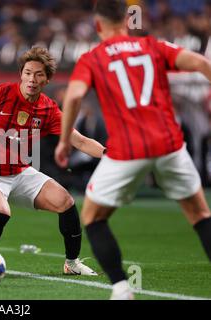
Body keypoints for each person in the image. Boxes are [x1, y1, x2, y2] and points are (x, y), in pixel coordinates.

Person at [55, 0, 211, 300]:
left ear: (98, 25)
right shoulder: (154, 46)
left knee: (93, 217)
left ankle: (121, 288)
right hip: (170, 145)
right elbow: (202, 64)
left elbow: (73, 96)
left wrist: (64, 141)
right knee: (200, 213)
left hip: (128, 150)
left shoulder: (92, 58)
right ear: (127, 23)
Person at [0, 47, 106, 275]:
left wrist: (110, 155)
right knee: (1, 212)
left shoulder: (48, 109)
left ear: (47, 79)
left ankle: (71, 264)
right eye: (28, 72)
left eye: (39, 74)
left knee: (66, 202)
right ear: (21, 73)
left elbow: (79, 141)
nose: (32, 79)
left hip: (20, 173)